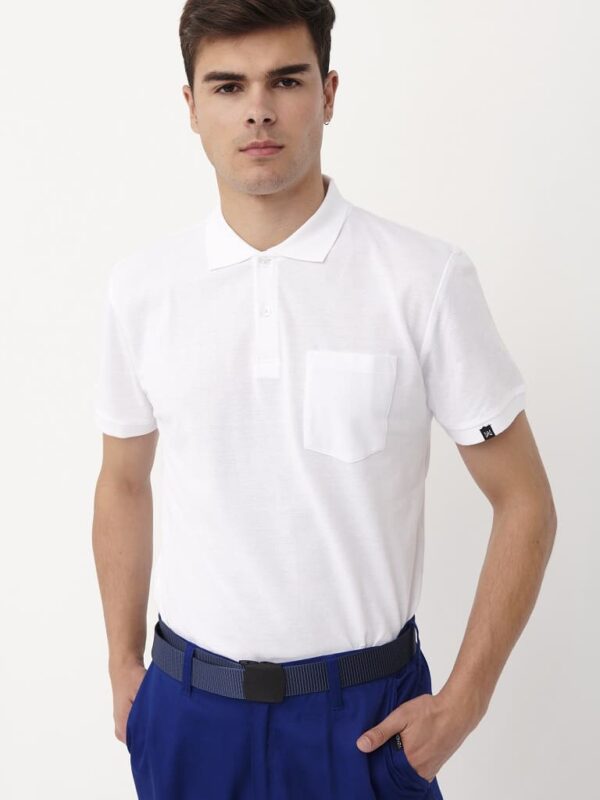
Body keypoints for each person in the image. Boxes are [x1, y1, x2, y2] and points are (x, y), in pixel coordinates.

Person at [92, 1, 557, 798]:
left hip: (363, 721)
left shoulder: (422, 279)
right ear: (192, 106)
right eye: (228, 86)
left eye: (286, 80)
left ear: (329, 93)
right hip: (190, 716)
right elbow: (123, 482)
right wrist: (122, 665)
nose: (258, 109)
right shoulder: (142, 291)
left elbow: (525, 501)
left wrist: (465, 701)